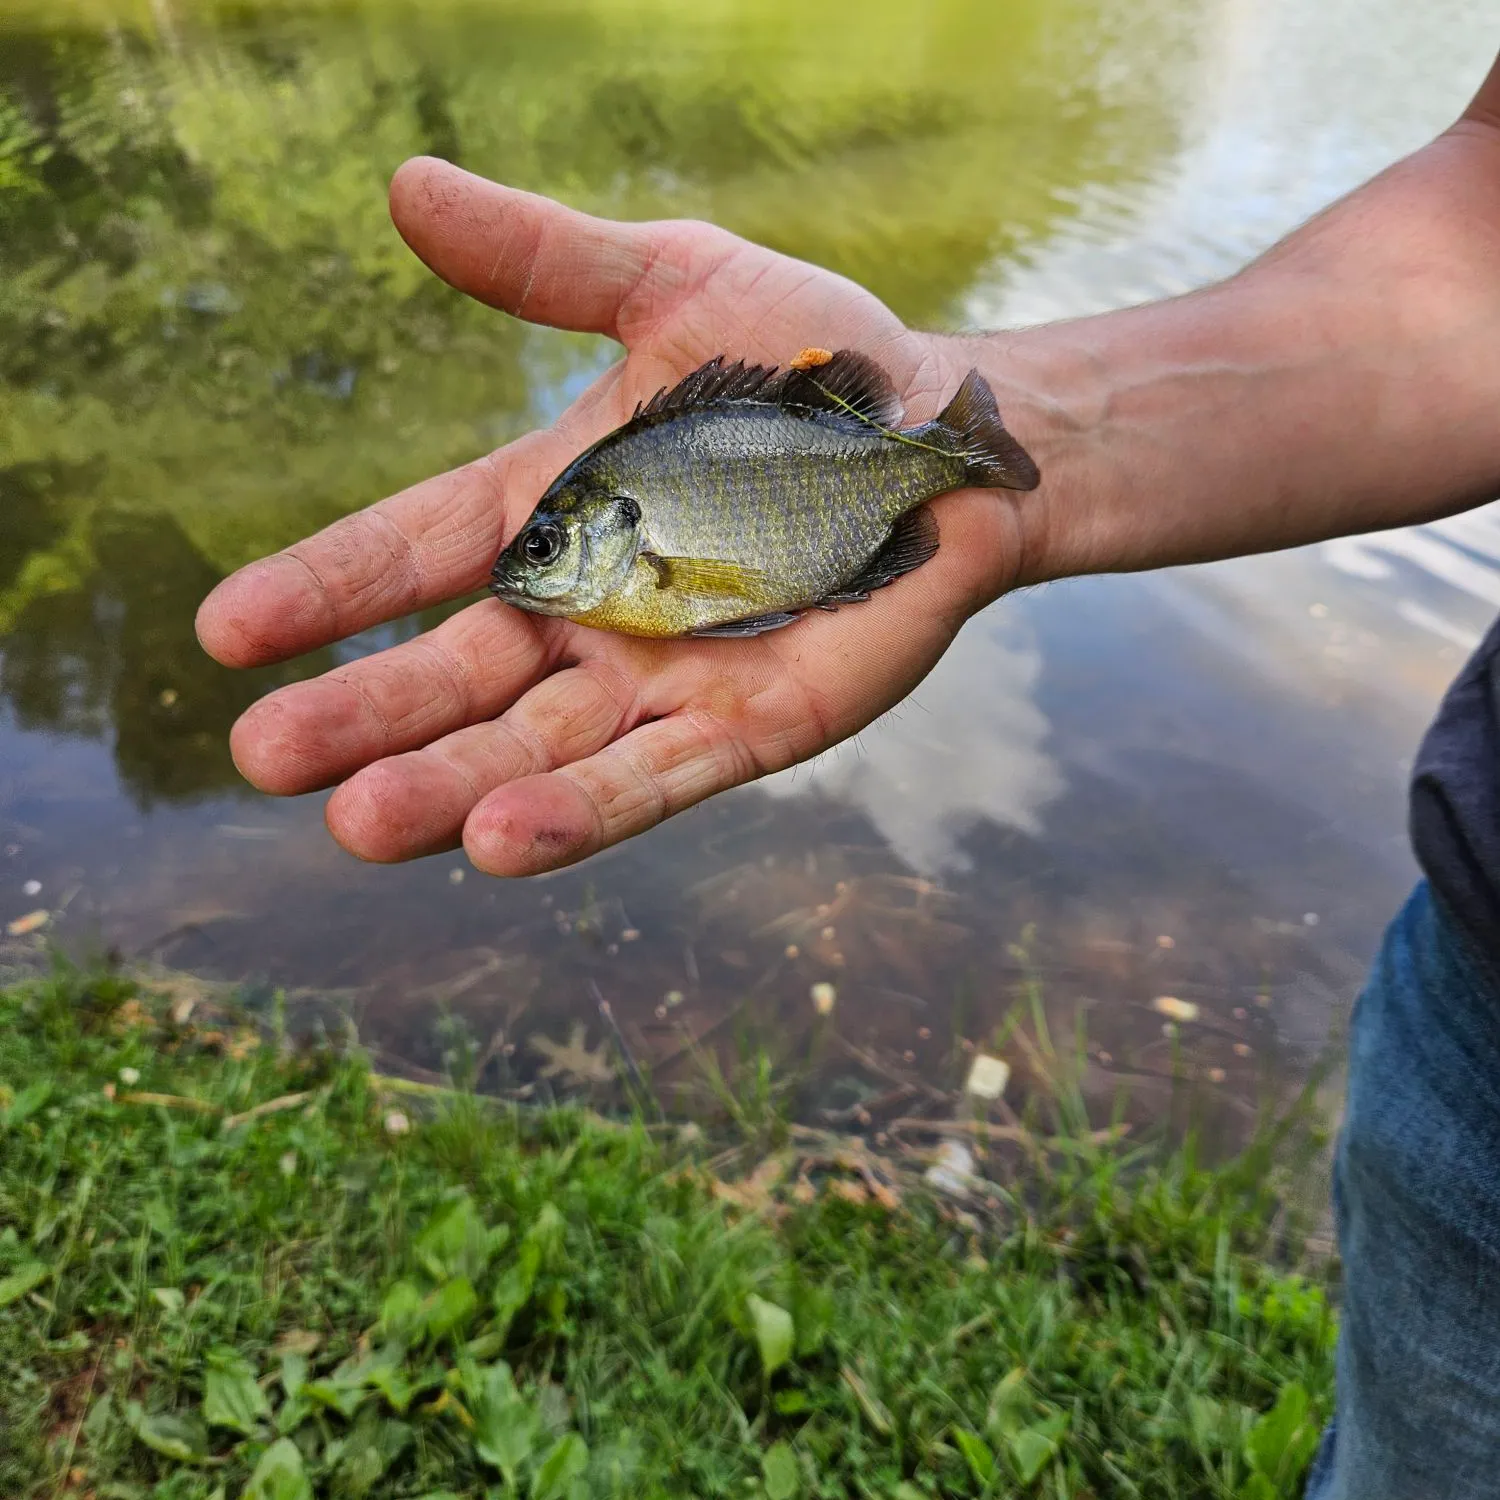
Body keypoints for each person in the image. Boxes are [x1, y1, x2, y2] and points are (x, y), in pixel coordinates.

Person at [196, 46, 1500, 1499]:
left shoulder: (656, 529)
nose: (542, 573)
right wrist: (1042, 439)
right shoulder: (692, 515)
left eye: (558, 551)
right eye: (555, 553)